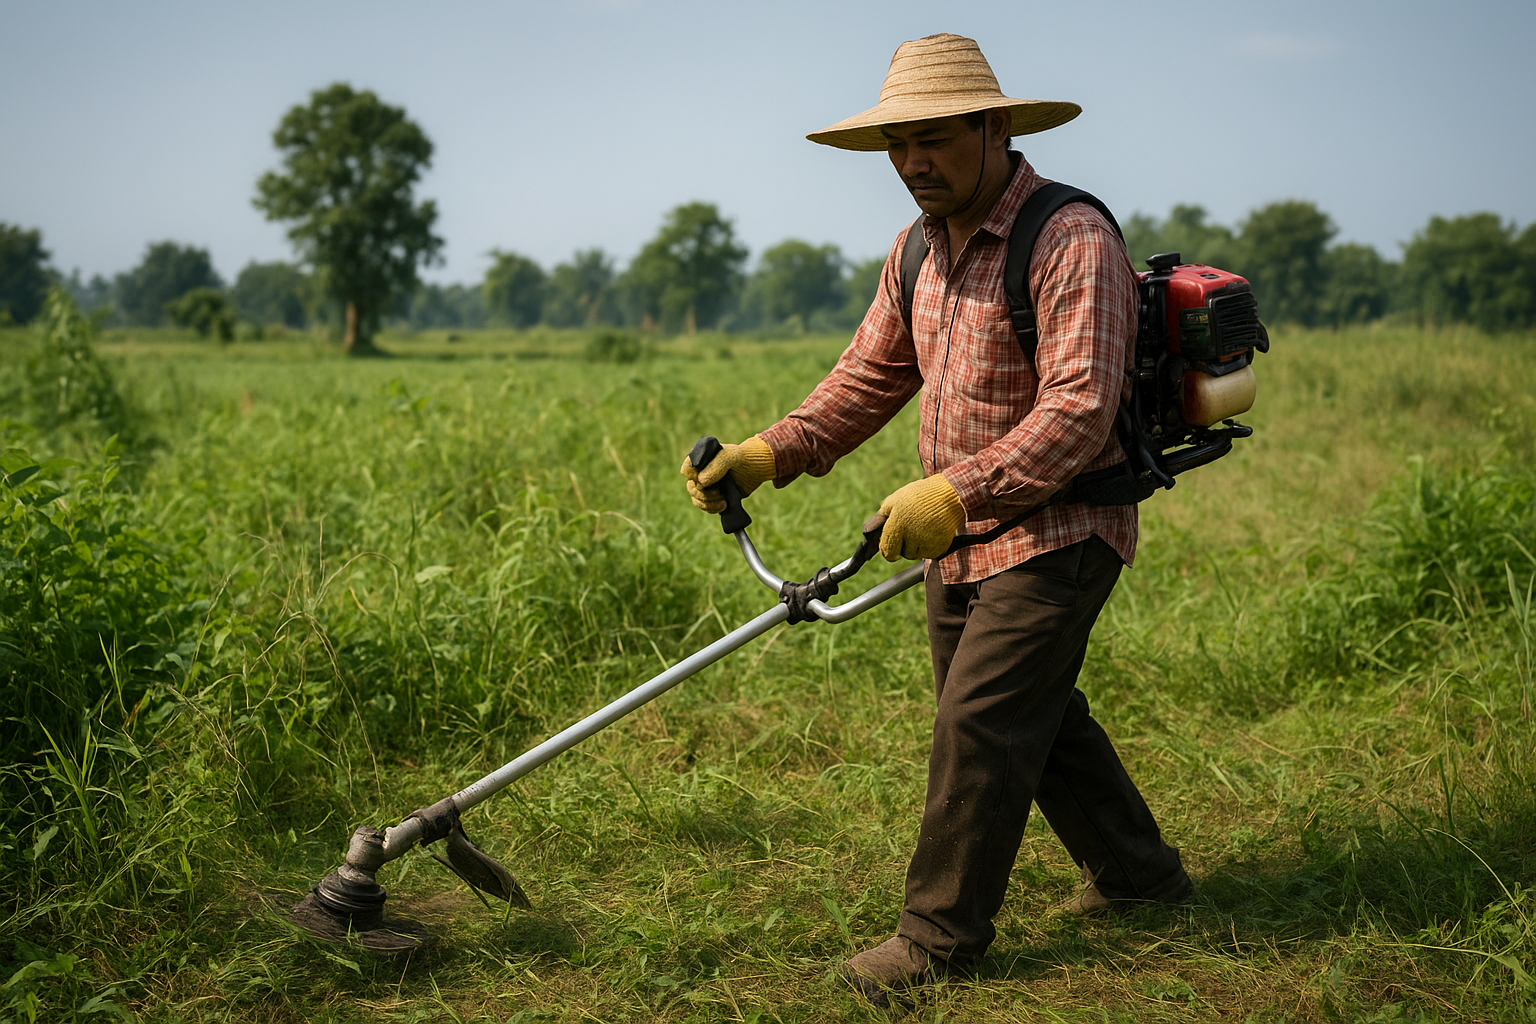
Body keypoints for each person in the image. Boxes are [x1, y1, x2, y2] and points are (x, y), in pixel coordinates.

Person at [681, 33, 1193, 1007]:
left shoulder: (1070, 237)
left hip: (1061, 526)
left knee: (982, 721)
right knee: (1032, 712)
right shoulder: (917, 248)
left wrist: (957, 492)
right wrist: (767, 451)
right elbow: (869, 374)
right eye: (897, 143)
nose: (913, 162)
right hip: (957, 537)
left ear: (994, 128)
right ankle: (1141, 876)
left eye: (934, 138)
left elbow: (1081, 410)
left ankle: (936, 939)